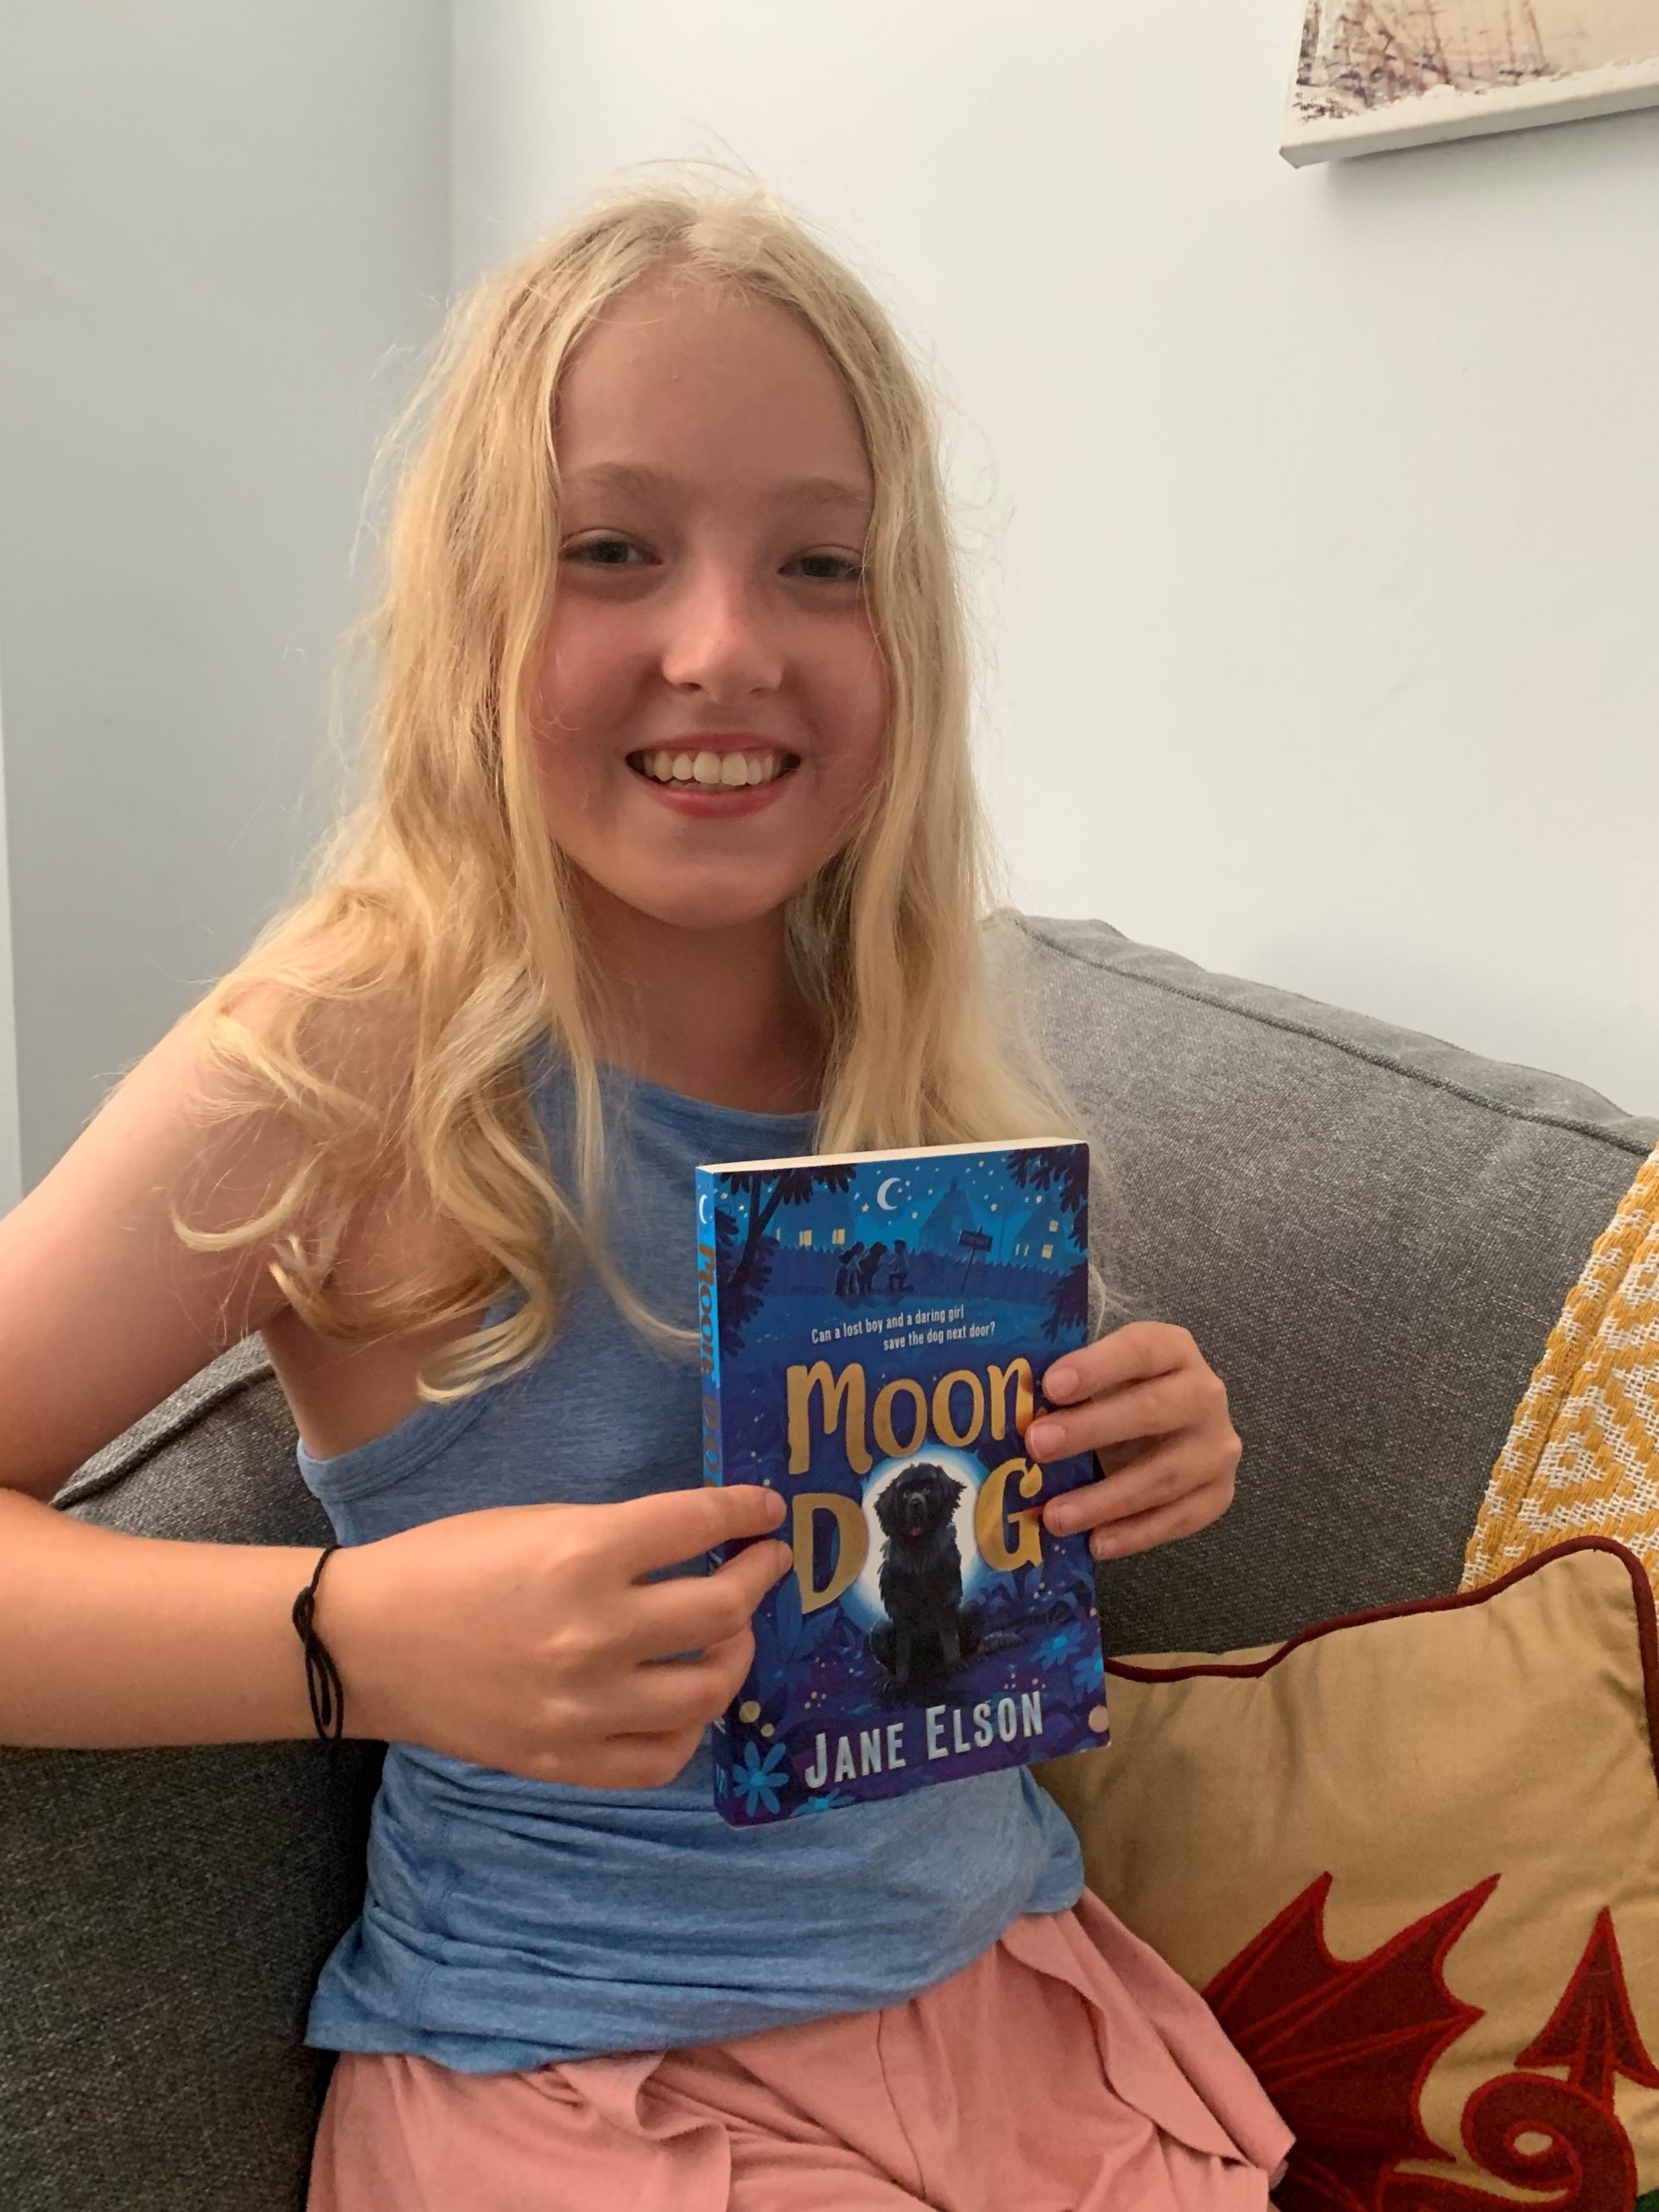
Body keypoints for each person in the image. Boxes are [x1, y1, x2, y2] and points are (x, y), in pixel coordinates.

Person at [0, 168, 1292, 2210]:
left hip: (1021, 2007)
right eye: (612, 549)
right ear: (473, 604)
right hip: (590, 2085)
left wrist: (1134, 1445)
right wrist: (349, 1635)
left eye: (821, 564)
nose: (722, 645)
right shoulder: (352, 1050)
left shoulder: (905, 1035)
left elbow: (931, 1582)